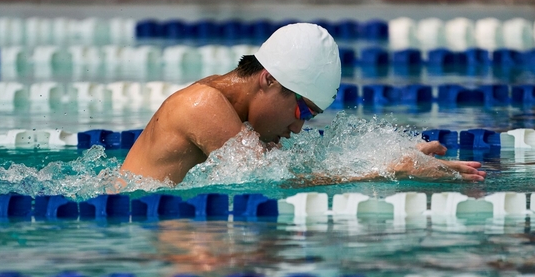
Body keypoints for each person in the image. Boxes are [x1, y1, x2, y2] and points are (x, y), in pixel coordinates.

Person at [120, 23, 485, 186]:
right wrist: (389, 169)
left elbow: (286, 170)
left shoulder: (234, 114)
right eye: (303, 110)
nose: (298, 127)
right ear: (269, 79)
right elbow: (265, 182)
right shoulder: (204, 105)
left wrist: (388, 153)